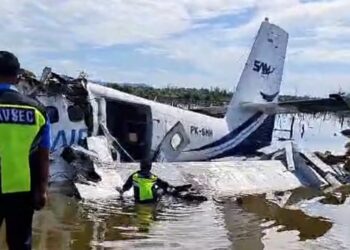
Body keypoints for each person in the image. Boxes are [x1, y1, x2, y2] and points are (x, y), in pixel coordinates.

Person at [0, 51, 50, 250]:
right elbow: (44, 156)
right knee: (20, 244)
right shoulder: (37, 110)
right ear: (18, 77)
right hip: (22, 190)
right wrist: (42, 190)